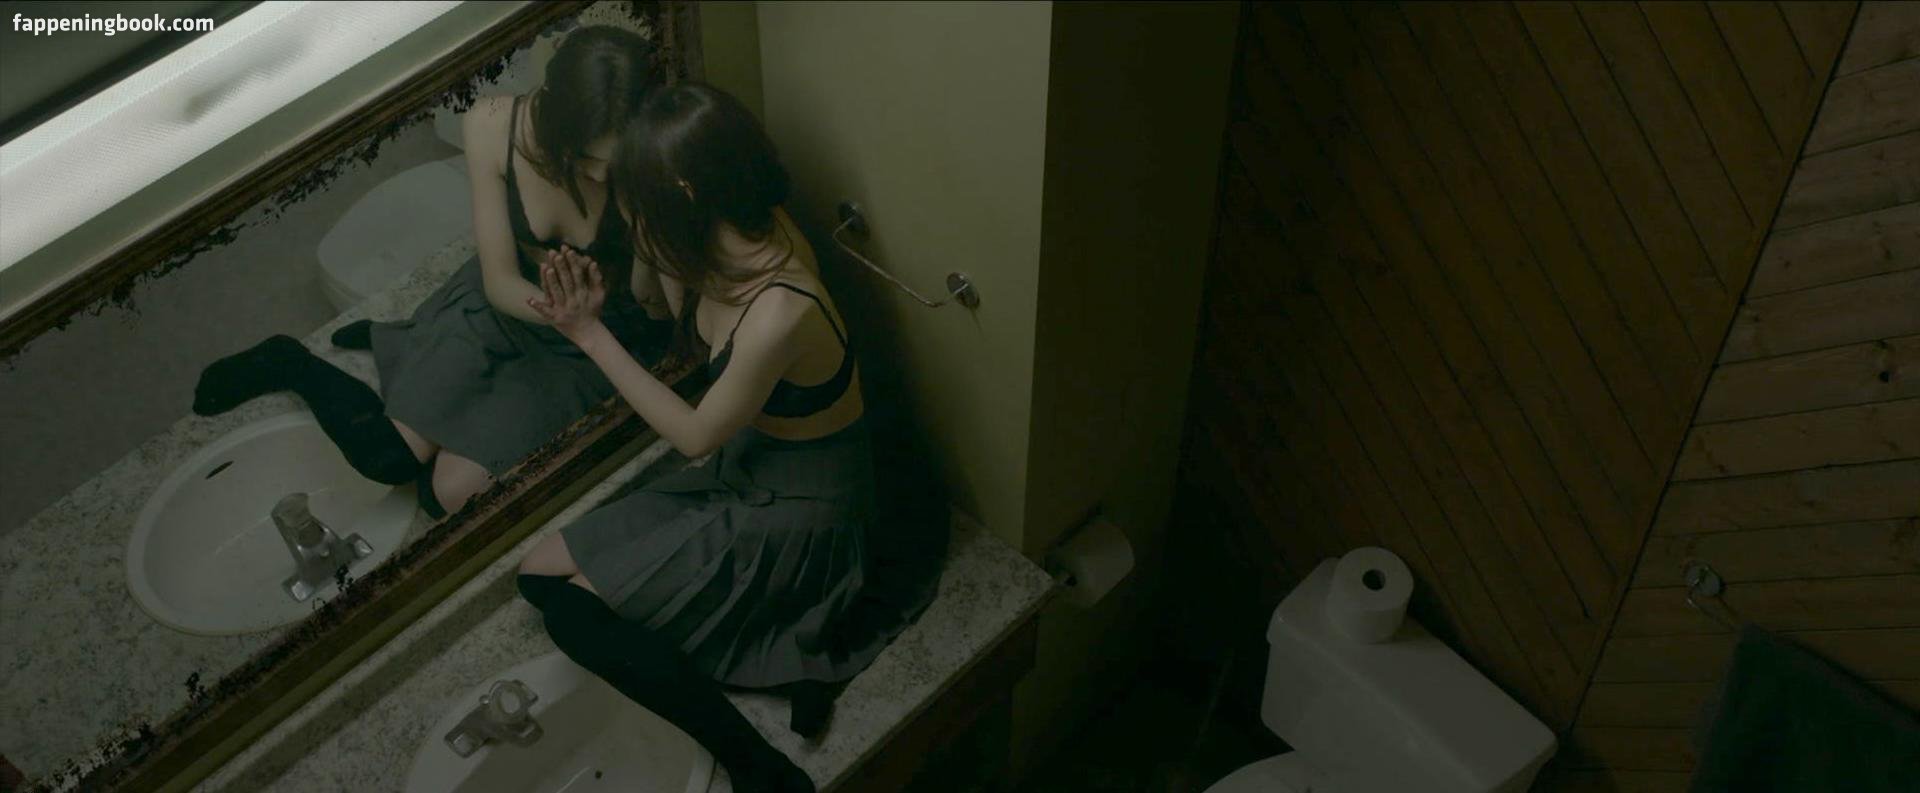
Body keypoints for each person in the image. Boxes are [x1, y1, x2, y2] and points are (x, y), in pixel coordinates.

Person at [513, 82, 943, 793]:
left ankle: (758, 766)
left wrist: (587, 333)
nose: (623, 213)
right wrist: (643, 252)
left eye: (632, 199)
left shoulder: (780, 305)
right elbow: (658, 309)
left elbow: (694, 435)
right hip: (750, 466)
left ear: (680, 193)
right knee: (536, 574)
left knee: (575, 616)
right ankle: (756, 650)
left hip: (803, 507)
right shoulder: (710, 239)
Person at [191, 25, 673, 518]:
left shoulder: (650, 161)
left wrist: (644, 217)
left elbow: (656, 311)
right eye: (588, 157)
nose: (601, 175)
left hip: (595, 340)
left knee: (448, 496)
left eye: (616, 160)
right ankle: (291, 360)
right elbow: (500, 280)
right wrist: (559, 312)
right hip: (513, 306)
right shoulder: (492, 124)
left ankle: (412, 355)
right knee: (388, 457)